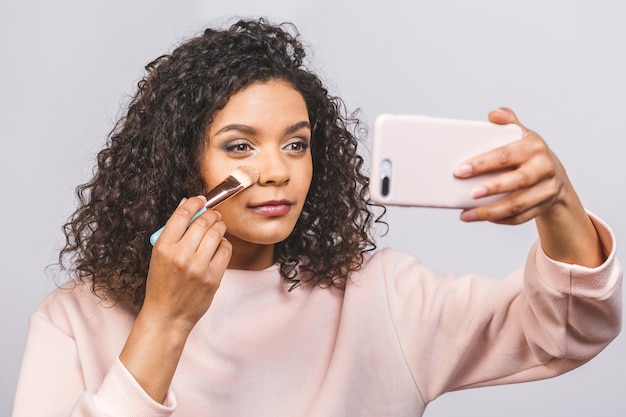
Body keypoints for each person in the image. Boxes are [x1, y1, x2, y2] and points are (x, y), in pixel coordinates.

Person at [12, 18, 622, 417]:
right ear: (178, 165)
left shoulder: (378, 299)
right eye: (241, 146)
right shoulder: (73, 321)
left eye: (297, 144)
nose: (277, 172)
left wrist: (559, 201)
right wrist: (165, 321)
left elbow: (568, 329)